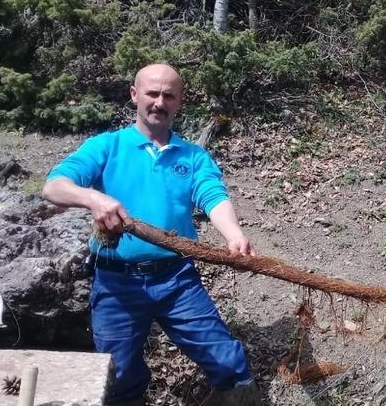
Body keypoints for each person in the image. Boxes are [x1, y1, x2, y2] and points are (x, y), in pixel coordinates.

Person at [42, 64, 261, 406]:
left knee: (226, 362)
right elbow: (54, 186)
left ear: (179, 102)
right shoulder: (107, 146)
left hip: (176, 279)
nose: (159, 102)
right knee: (118, 376)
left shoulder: (193, 156)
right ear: (134, 95)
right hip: (115, 283)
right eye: (152, 93)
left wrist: (233, 234)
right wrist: (94, 199)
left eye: (168, 96)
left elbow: (212, 195)